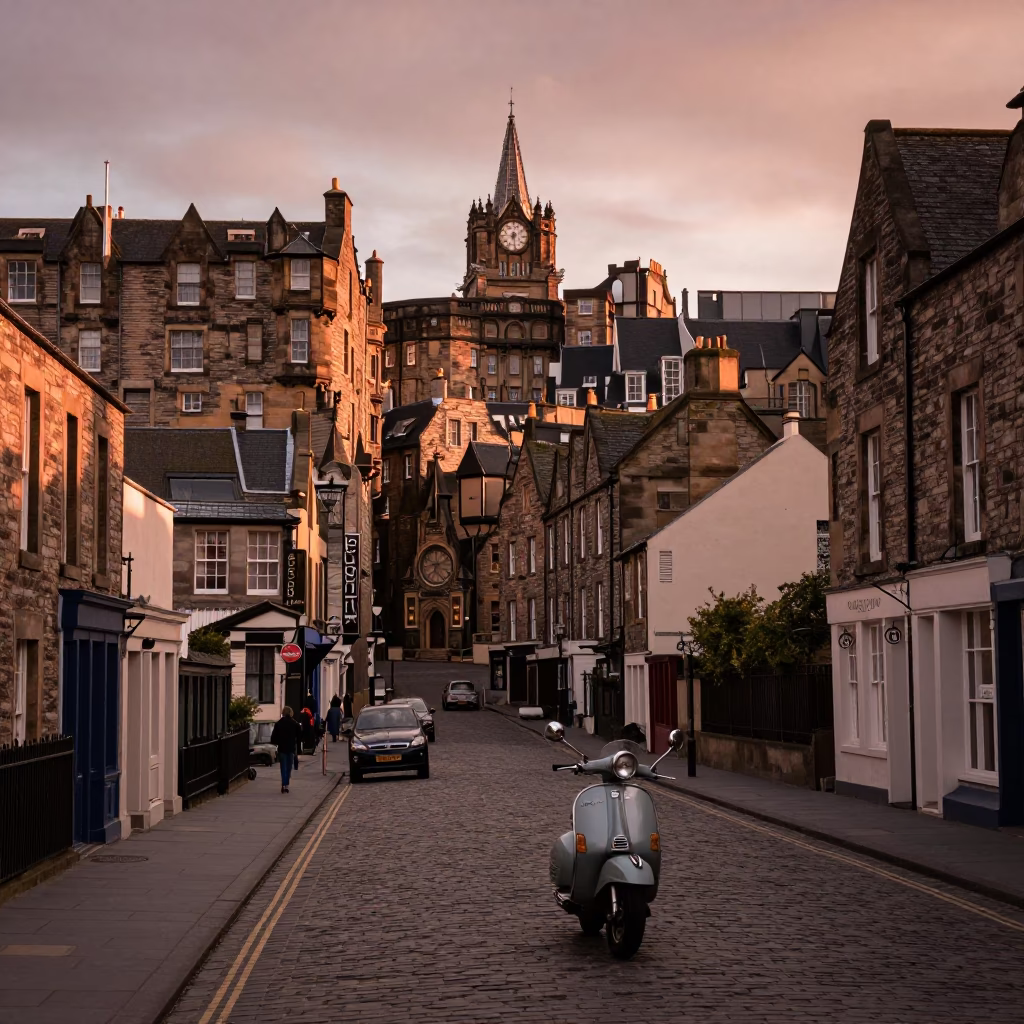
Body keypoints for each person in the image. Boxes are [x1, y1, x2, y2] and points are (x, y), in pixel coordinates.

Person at [270, 707, 303, 793]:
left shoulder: (278, 724)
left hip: (282, 748)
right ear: (291, 713)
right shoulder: (295, 724)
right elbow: (299, 738)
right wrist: (299, 750)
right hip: (291, 748)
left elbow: (273, 738)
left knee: (283, 767)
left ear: (283, 713)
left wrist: (278, 742)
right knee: (289, 767)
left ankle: (283, 784)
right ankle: (286, 784)